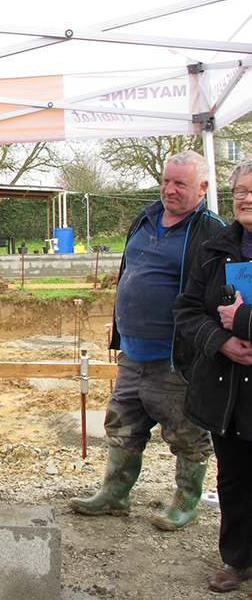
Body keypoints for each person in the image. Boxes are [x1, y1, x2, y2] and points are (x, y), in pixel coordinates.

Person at [68, 149, 226, 530]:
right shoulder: (146, 216)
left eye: (180, 184)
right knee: (122, 425)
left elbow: (217, 294)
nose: (169, 190)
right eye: (166, 181)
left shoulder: (211, 231)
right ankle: (115, 495)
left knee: (185, 431)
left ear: (203, 188)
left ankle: (186, 501)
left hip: (175, 357)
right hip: (132, 352)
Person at [173, 160, 252, 596]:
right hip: (228, 389)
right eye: (241, 191)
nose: (246, 199)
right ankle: (236, 559)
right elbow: (187, 308)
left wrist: (244, 321)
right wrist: (221, 341)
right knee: (234, 476)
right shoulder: (218, 248)